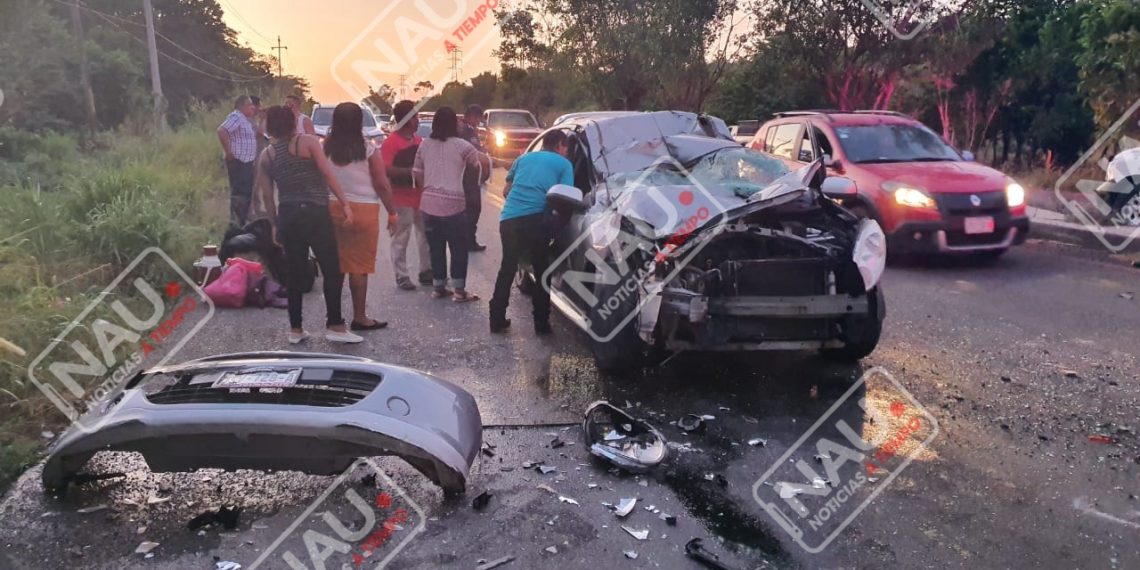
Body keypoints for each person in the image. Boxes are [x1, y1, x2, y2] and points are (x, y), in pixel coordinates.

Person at [254, 105, 362, 345]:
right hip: (314, 211)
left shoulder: (266, 156)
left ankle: (295, 329)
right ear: (293, 122)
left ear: (271, 126)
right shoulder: (308, 142)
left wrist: (274, 225)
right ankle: (335, 324)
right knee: (331, 268)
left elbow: (267, 198)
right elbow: (326, 173)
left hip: (288, 215)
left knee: (294, 273)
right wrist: (345, 203)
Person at [489, 129, 574, 334]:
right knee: (542, 269)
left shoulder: (523, 158)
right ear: (559, 145)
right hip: (536, 221)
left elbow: (506, 191)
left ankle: (496, 319)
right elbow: (567, 197)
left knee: (507, 267)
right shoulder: (564, 164)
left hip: (509, 219)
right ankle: (541, 324)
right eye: (566, 147)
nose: (567, 152)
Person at [323, 102, 398, 331]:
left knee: (334, 267)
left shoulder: (325, 147)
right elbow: (382, 184)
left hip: (332, 208)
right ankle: (360, 316)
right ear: (359, 122)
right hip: (364, 211)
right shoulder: (368, 149)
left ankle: (334, 317)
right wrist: (392, 212)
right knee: (359, 267)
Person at [413, 106, 491, 302]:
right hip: (454, 204)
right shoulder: (462, 146)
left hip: (428, 205)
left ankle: (439, 286)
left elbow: (417, 173)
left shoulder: (424, 145)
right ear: (452, 124)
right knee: (458, 247)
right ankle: (459, 290)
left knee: (436, 247)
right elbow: (478, 165)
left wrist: (427, 191)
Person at [381, 100, 433, 290]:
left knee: (426, 234)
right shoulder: (391, 143)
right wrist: (410, 172)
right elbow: (386, 169)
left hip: (420, 196)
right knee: (401, 237)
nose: (418, 121)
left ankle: (427, 270)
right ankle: (401, 276)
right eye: (416, 117)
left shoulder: (420, 142)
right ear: (409, 119)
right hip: (400, 197)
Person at [217, 95, 259, 228]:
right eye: (250, 105)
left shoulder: (246, 120)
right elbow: (222, 130)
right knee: (240, 195)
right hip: (239, 162)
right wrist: (229, 151)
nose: (253, 107)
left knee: (246, 194)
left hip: (246, 162)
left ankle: (241, 224)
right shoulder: (236, 117)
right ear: (242, 106)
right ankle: (236, 225)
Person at [460, 104, 489, 252]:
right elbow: (475, 152)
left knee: (470, 210)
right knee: (473, 209)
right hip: (469, 177)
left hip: (468, 176)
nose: (478, 122)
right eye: (477, 118)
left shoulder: (467, 129)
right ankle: (468, 241)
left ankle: (467, 240)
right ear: (471, 116)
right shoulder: (467, 131)